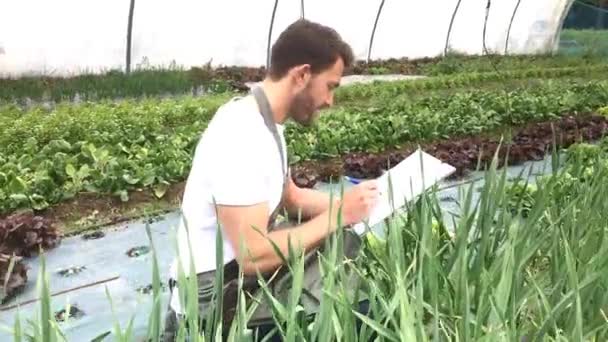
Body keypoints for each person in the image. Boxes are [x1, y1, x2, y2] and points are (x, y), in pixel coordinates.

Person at [163, 19, 379, 341]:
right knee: (352, 305)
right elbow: (252, 256)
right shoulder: (241, 135)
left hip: (236, 271)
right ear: (302, 75)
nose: (330, 101)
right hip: (215, 293)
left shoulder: (267, 124)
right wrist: (339, 215)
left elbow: (290, 197)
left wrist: (360, 201)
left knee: (341, 247)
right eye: (330, 86)